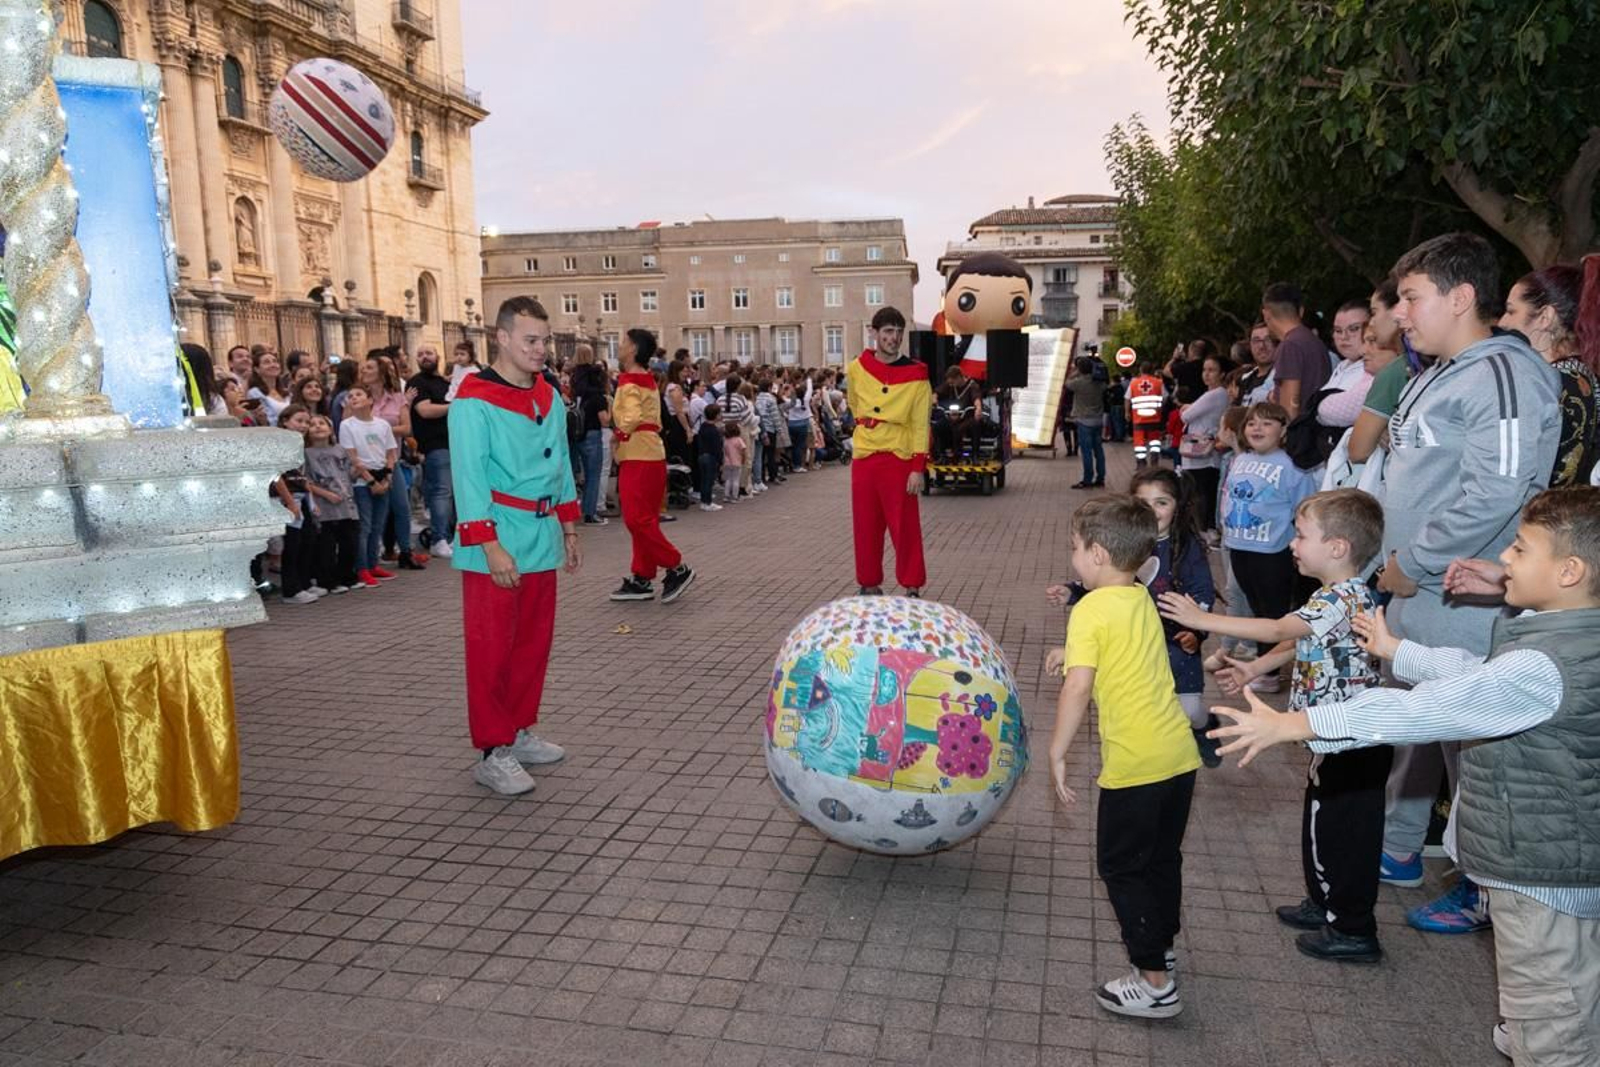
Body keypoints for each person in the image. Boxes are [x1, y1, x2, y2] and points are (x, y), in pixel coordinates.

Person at [1208, 487, 1600, 1066]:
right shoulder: (1563, 639)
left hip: (1541, 876)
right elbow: (1474, 672)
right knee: (1558, 1004)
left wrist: (1299, 722)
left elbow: (1427, 709)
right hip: (1556, 864)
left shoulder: (1545, 663)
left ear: (1569, 572)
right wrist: (1398, 650)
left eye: (1519, 548)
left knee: (1551, 1032)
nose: (1505, 558)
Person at [1375, 232, 1560, 933]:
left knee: (1476, 750)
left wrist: (1415, 561)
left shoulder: (1502, 373)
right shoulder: (1444, 370)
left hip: (1465, 597)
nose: (1399, 313)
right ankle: (1406, 851)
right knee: (1433, 733)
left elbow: (1498, 491)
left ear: (1460, 297)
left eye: (1410, 297)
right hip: (1426, 594)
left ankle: (1487, 886)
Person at [1166, 489, 1390, 962]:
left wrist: (1202, 618)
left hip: (1350, 742)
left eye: (1302, 535)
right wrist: (1254, 667)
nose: (1292, 543)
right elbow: (1299, 642)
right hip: (1331, 735)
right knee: (1321, 824)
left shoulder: (1341, 597)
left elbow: (1276, 629)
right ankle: (1325, 902)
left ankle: (1352, 928)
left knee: (1342, 834)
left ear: (1338, 547)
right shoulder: (1337, 596)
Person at [1046, 496, 1201, 1019]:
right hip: (1178, 756)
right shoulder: (1139, 596)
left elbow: (1078, 687)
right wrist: (1073, 652)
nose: (1072, 559)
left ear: (1097, 554)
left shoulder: (1089, 608)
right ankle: (1162, 947)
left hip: (1135, 765)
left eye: (1074, 548)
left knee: (1120, 868)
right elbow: (1125, 652)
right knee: (1161, 859)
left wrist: (1058, 750)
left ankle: (1155, 983)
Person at [448, 296, 582, 797]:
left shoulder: (547, 394)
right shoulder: (473, 399)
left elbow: (561, 460)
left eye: (544, 340)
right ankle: (492, 750)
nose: (540, 349)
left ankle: (519, 729)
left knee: (531, 644)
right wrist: (489, 545)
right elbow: (468, 476)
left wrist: (569, 526)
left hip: (541, 535)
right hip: (498, 539)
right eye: (530, 340)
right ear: (501, 338)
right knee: (491, 650)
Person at [1220, 402, 1320, 690]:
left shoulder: (1292, 466)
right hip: (1240, 547)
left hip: (1272, 551)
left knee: (1272, 610)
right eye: (1252, 423)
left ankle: (1269, 674)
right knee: (1254, 604)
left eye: (1267, 423)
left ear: (1283, 430)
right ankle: (1261, 662)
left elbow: (1304, 508)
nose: (1257, 428)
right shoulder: (1241, 459)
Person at [1129, 468, 1220, 766]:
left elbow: (1203, 592)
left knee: (1190, 710)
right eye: (1143, 503)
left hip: (1178, 644)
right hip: (1137, 643)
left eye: (1161, 502)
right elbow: (1102, 580)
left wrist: (1196, 632)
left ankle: (1205, 727)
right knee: (1143, 705)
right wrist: (1074, 591)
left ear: (1177, 506)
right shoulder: (1125, 542)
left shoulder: (1188, 546)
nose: (1152, 510)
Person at [846, 306, 930, 596]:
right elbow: (854, 404)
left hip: (899, 458)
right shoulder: (856, 368)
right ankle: (868, 582)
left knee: (904, 526)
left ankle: (912, 585)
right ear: (874, 333)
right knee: (865, 524)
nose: (894, 338)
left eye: (898, 332)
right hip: (865, 457)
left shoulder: (917, 374)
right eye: (888, 331)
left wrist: (917, 467)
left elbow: (920, 424)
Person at [610, 329, 694, 603]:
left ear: (633, 349)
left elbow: (632, 416)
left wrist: (618, 434)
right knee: (643, 519)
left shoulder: (630, 381)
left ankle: (676, 566)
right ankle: (642, 576)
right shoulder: (644, 379)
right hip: (648, 452)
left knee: (637, 519)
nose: (620, 346)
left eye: (624, 342)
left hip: (638, 453)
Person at [1499, 259, 1599, 488]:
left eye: (1511, 311)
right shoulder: (1579, 377)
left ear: (1545, 317)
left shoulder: (1552, 385)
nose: (1502, 322)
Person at [337, 386, 399, 587]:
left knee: (378, 525)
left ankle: (373, 564)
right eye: (350, 396)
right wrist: (370, 480)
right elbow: (352, 457)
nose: (353, 398)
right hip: (362, 481)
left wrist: (387, 477)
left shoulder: (382, 425)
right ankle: (361, 567)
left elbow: (391, 453)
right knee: (364, 526)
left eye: (358, 394)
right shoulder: (347, 425)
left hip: (382, 477)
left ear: (370, 400)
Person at [303, 414, 361, 594]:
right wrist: (326, 494)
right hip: (324, 506)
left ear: (330, 429)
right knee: (326, 546)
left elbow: (348, 475)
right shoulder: (306, 453)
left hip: (346, 504)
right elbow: (306, 481)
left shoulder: (340, 450)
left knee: (349, 543)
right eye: (312, 424)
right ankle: (328, 581)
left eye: (322, 423)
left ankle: (347, 576)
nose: (317, 426)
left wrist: (357, 470)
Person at [272, 405, 322, 605]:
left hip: (302, 498)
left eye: (306, 422)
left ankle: (304, 582)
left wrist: (312, 501)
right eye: (298, 421)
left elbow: (302, 477)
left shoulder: (298, 444)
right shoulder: (278, 444)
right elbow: (276, 476)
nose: (304, 425)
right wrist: (290, 502)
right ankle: (291, 589)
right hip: (288, 499)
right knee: (293, 543)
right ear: (285, 421)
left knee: (307, 539)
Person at [1176, 353, 1232, 530]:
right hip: (1208, 451)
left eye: (1212, 370)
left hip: (1201, 453)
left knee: (1200, 493)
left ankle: (1204, 529)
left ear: (1222, 374)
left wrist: (1187, 407)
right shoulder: (1219, 394)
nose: (1206, 374)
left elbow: (1186, 416)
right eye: (1204, 370)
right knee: (1207, 492)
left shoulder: (1214, 394)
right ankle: (1207, 528)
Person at [409, 344, 455, 558]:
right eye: (420, 354)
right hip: (435, 445)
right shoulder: (417, 382)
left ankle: (451, 537)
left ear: (438, 356)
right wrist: (455, 406)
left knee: (453, 495)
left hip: (455, 443)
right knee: (441, 493)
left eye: (428, 353)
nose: (424, 357)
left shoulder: (446, 383)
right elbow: (425, 410)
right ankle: (439, 539)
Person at [1262, 283, 1332, 420]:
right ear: (1301, 311)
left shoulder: (1289, 346)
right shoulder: (1314, 341)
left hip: (1299, 429)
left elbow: (1290, 408)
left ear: (1266, 314)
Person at [569, 344, 611, 525]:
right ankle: (590, 513)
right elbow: (605, 421)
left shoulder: (575, 382)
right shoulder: (597, 395)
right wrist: (610, 406)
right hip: (593, 433)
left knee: (576, 474)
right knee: (593, 474)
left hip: (576, 433)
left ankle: (576, 509)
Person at [1066, 357, 1107, 488]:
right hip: (1098, 419)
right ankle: (1100, 478)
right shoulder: (1099, 383)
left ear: (1080, 369)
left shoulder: (1078, 383)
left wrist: (1075, 372)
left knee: (1087, 452)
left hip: (1084, 420)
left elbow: (1066, 383)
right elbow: (1105, 385)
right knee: (1098, 451)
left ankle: (1087, 479)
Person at [1126, 362, 1166, 467]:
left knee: (1139, 443)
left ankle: (1141, 464)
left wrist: (1127, 412)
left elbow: (1127, 398)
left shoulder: (1134, 383)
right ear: (1152, 370)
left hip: (1138, 418)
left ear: (1140, 370)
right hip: (1154, 417)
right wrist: (1160, 408)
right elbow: (1165, 397)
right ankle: (1154, 463)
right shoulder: (1158, 382)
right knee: (1154, 442)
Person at [1238, 322, 1279, 406]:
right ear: (1250, 346)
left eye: (1268, 339)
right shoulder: (1245, 379)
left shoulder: (1283, 376)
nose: (1262, 346)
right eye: (1256, 341)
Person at [695, 403, 724, 512]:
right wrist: (721, 461)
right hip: (711, 457)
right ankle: (707, 502)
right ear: (716, 415)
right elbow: (717, 447)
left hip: (702, 455)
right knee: (709, 480)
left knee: (704, 480)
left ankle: (704, 501)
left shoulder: (703, 426)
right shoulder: (714, 430)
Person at [722, 420, 746, 506]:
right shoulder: (739, 440)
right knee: (736, 479)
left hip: (727, 462)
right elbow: (743, 450)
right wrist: (743, 459)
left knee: (728, 479)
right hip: (737, 462)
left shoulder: (726, 440)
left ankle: (726, 496)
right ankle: (734, 497)